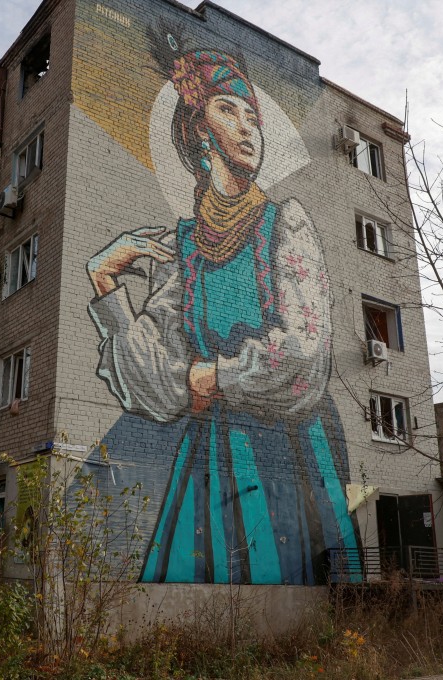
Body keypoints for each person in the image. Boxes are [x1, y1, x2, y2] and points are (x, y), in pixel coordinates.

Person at [87, 45, 359, 585]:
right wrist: (106, 285)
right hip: (209, 455)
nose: (248, 127)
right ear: (198, 132)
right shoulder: (181, 248)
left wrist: (219, 375)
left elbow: (307, 352)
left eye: (253, 115)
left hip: (292, 447)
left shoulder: (286, 224)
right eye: (229, 111)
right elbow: (158, 386)